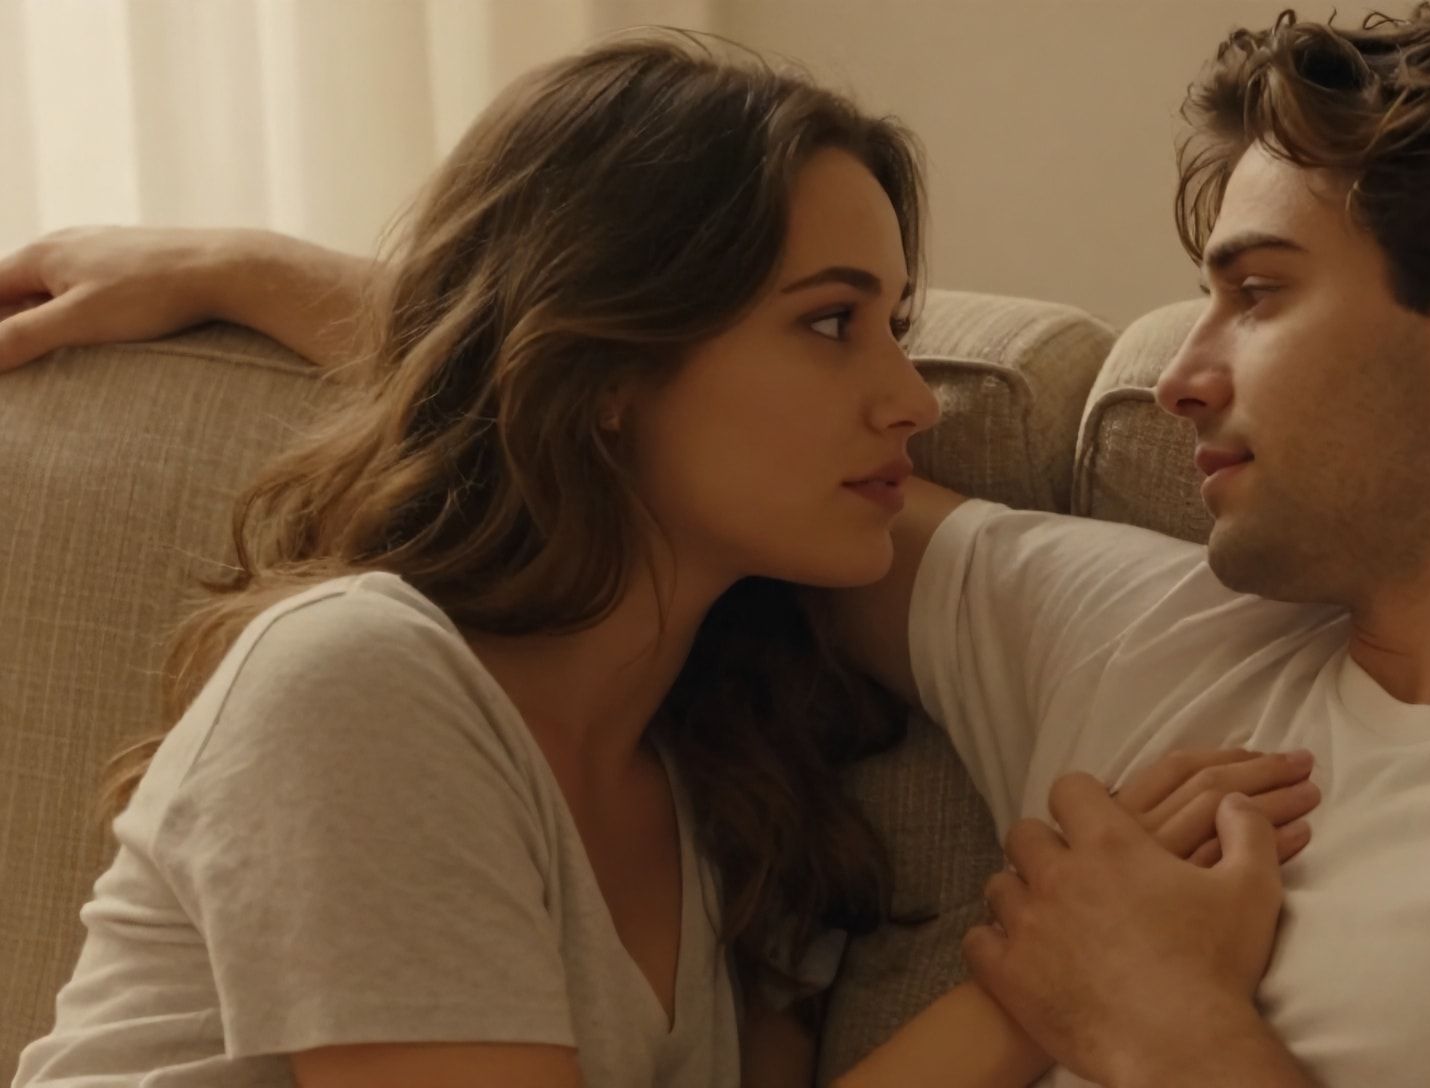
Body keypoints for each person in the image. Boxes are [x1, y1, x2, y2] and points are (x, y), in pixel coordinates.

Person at [6, 3, 1430, 1088]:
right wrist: (257, 267)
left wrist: (1166, 1028)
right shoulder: (1145, 639)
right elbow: (641, 397)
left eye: (1257, 292)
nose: (1185, 373)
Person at [0, 31, 1323, 1088]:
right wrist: (1047, 987)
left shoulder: (727, 788)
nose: (913, 401)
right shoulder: (358, 683)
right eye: (831, 325)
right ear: (608, 371)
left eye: (898, 327)